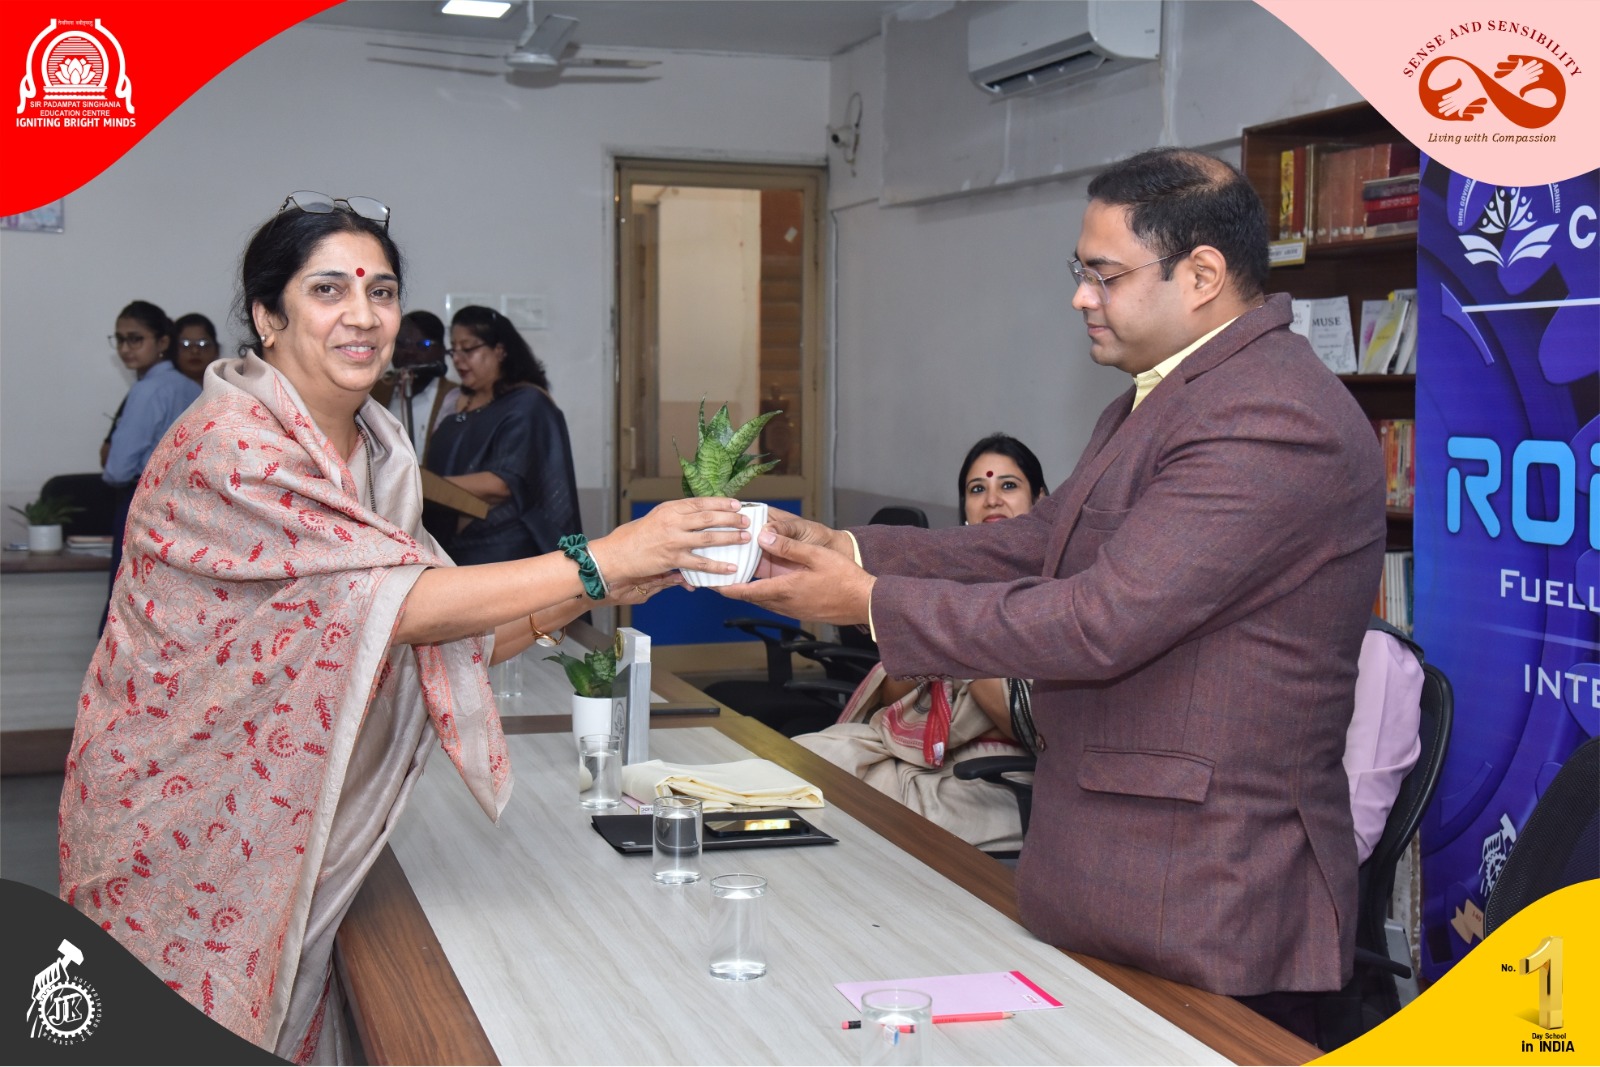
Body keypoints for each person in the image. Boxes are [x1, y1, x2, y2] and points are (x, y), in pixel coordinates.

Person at [58, 192, 750, 1061]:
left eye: (381, 291)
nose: (363, 315)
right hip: (185, 811)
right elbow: (402, 603)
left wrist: (596, 590)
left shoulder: (378, 454)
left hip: (291, 804)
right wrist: (602, 558)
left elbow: (424, 633)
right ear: (268, 317)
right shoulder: (231, 446)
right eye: (328, 290)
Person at [721, 148, 1387, 1036]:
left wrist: (869, 601)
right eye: (1080, 271)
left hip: (1208, 889)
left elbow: (1102, 619)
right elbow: (1039, 543)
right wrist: (843, 546)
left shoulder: (1270, 416)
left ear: (1201, 275)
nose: (1080, 297)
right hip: (1118, 867)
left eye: (1104, 275)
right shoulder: (1162, 398)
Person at [793, 434, 1048, 852]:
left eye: (1008, 485)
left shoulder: (1053, 593)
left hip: (995, 775)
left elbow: (1029, 725)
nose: (992, 500)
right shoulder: (945, 584)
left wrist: (957, 640)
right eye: (977, 489)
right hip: (912, 752)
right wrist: (931, 639)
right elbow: (892, 695)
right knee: (797, 766)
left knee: (849, 816)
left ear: (1042, 501)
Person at [423, 305, 581, 563]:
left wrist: (426, 485)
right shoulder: (455, 401)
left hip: (504, 548)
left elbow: (502, 484)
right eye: (454, 350)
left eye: (468, 349)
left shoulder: (527, 403)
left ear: (499, 350)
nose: (457, 359)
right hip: (446, 545)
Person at [99, 300, 203, 631]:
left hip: (142, 505)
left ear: (162, 342)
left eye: (136, 339)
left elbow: (117, 469)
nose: (126, 349)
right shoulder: (193, 387)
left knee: (127, 613)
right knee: (170, 613)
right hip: (188, 510)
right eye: (120, 339)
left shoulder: (147, 390)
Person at [373, 309, 453, 456]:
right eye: (402, 343)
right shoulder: (375, 392)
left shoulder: (456, 398)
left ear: (442, 351)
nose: (410, 351)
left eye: (423, 345)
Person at [173, 311, 222, 384]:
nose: (195, 351)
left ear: (216, 350)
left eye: (203, 344)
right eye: (185, 344)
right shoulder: (162, 388)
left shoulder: (230, 387)